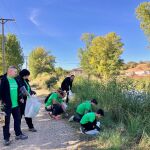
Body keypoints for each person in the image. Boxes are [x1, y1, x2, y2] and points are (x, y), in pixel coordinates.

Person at [0, 66, 28, 146]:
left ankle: (18, 134)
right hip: (5, 106)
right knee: (4, 122)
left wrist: (21, 98)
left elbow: (19, 90)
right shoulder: (2, 80)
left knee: (18, 120)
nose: (16, 73)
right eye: (15, 72)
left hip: (16, 105)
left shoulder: (16, 80)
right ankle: (6, 138)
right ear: (9, 71)